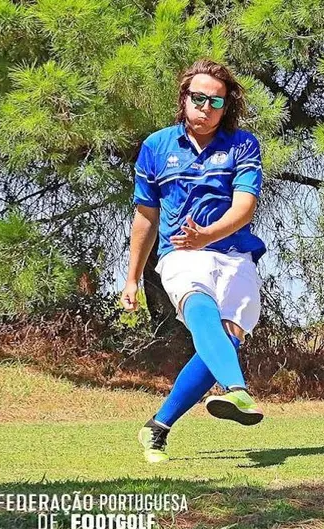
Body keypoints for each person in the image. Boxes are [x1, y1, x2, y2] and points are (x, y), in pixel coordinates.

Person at [121, 59, 267, 463]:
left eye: (215, 101)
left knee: (226, 339)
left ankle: (158, 426)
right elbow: (145, 217)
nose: (205, 107)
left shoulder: (242, 145)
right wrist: (132, 278)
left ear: (226, 106)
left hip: (235, 254)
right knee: (199, 306)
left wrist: (210, 234)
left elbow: (245, 206)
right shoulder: (156, 147)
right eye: (198, 98)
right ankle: (236, 389)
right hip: (181, 253)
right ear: (184, 99)